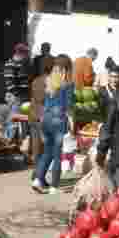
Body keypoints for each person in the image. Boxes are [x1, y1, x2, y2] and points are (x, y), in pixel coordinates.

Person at [32, 54, 75, 194]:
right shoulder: (68, 83)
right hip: (58, 122)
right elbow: (68, 106)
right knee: (57, 155)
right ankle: (54, 186)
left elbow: (46, 103)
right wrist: (72, 123)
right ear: (67, 68)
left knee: (47, 152)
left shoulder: (49, 81)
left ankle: (38, 180)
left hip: (46, 120)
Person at [27, 56, 54, 167]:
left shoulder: (36, 80)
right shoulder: (48, 81)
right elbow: (40, 98)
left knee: (37, 145)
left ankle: (37, 172)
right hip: (41, 116)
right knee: (42, 146)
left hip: (35, 115)